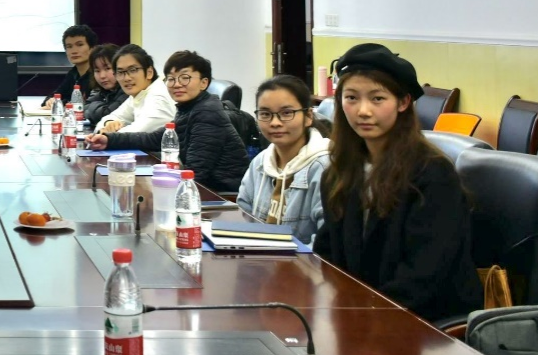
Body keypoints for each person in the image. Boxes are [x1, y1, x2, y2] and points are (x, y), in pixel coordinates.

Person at [313, 43, 481, 321]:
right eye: (351, 97)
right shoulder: (339, 172)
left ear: (403, 103)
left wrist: (363, 314)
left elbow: (424, 275)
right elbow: (328, 251)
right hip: (363, 311)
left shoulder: (432, 173)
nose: (363, 110)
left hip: (422, 322)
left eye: (377, 99)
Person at [86, 49, 249, 193]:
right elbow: (155, 138)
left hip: (220, 196)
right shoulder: (189, 108)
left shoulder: (207, 112)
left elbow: (196, 173)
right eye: (171, 79)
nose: (176, 84)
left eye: (184, 78)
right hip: (203, 188)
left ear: (204, 83)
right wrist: (109, 140)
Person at [235, 75, 330, 244]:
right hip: (260, 256)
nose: (275, 122)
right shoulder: (260, 162)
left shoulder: (325, 168)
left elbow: (325, 245)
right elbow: (243, 218)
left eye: (286, 113)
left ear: (308, 116)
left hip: (303, 260)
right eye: (265, 114)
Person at [93, 43, 176, 134]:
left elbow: (139, 132)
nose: (126, 78)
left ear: (149, 72)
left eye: (133, 70)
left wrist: (105, 134)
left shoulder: (159, 96)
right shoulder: (138, 95)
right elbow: (108, 119)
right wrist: (109, 123)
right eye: (120, 72)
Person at [44, 25, 97, 106]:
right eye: (69, 46)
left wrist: (62, 102)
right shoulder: (73, 73)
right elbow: (54, 96)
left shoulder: (97, 75)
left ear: (92, 48)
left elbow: (89, 104)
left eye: (80, 45)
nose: (74, 51)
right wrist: (50, 101)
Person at [82, 44, 126, 126]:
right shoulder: (103, 91)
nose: (102, 76)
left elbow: (106, 114)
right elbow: (83, 109)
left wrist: (93, 109)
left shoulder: (127, 91)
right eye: (97, 71)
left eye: (107, 68)